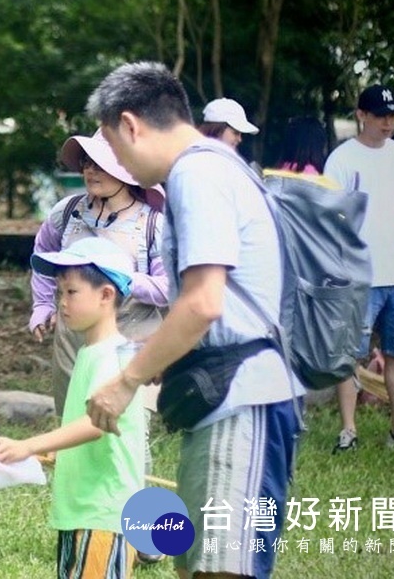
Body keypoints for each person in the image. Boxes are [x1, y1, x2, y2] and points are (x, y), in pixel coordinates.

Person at [84, 62, 300, 579]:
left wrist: (125, 382)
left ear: (132, 125)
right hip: (226, 392)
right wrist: (160, 353)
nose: (120, 163)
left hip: (242, 399)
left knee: (221, 570)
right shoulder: (214, 167)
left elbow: (204, 303)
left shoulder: (197, 174)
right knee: (201, 565)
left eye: (115, 145)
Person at [0, 238, 145, 579]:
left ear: (106, 295)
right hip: (82, 511)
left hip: (104, 513)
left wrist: (30, 445)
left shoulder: (112, 355)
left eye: (71, 293)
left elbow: (97, 424)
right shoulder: (91, 352)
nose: (62, 303)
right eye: (59, 293)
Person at [31, 130, 168, 413]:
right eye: (87, 162)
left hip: (131, 335)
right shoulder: (66, 212)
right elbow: (42, 253)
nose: (91, 170)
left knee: (123, 432)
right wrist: (43, 304)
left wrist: (123, 279)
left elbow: (169, 288)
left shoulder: (153, 225)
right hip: (73, 338)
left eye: (101, 163)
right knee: (72, 423)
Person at [325, 84, 394, 453]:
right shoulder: (341, 160)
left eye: (393, 115)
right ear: (361, 116)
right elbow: (331, 219)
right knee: (349, 355)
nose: (389, 123)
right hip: (359, 278)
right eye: (381, 116)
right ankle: (348, 430)